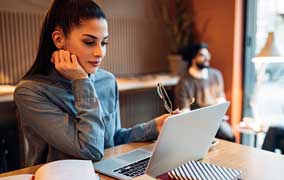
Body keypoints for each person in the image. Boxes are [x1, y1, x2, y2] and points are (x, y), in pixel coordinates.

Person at [14, 0, 176, 167]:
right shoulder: (30, 92)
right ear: (58, 39)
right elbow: (91, 149)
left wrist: (154, 127)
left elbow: (110, 140)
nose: (100, 52)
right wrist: (81, 81)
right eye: (89, 42)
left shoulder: (107, 81)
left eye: (104, 43)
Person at [175, 43, 235, 142]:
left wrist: (220, 114)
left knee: (229, 135)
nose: (207, 58)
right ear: (193, 58)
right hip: (196, 122)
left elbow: (220, 99)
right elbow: (184, 111)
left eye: (208, 55)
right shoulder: (184, 82)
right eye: (202, 55)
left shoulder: (216, 75)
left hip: (216, 119)